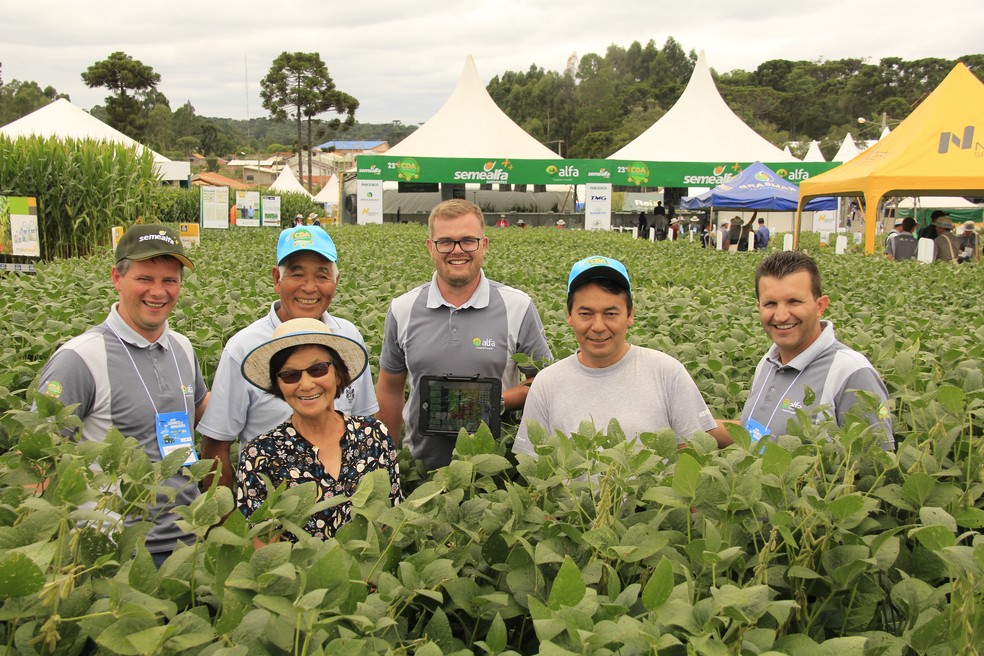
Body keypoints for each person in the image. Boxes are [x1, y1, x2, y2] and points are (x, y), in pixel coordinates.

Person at [36, 224, 209, 566]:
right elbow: (39, 458)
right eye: (145, 278)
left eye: (169, 280)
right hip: (115, 550)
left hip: (190, 541)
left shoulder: (182, 348)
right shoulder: (80, 358)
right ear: (117, 277)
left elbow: (203, 409)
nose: (158, 292)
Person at [376, 199, 553, 469]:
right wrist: (384, 461)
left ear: (484, 244)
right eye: (445, 242)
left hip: (495, 473)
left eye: (468, 240)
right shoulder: (403, 308)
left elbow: (543, 383)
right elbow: (389, 388)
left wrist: (492, 402)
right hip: (420, 469)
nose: (457, 251)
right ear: (430, 247)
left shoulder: (517, 306)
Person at [199, 225, 378, 489]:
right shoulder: (244, 348)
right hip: (271, 513)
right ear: (276, 279)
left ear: (336, 283)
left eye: (322, 275)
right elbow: (215, 445)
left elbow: (365, 426)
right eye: (296, 274)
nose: (309, 287)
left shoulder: (348, 337)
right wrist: (226, 523)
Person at [512, 255, 731, 456]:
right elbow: (534, 469)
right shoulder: (547, 383)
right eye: (586, 314)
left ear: (630, 315)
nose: (598, 326)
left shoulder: (667, 372)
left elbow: (689, 463)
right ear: (569, 316)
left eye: (611, 314)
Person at [237, 318, 402, 542]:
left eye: (317, 369)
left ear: (337, 372)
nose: (305, 384)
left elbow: (388, 524)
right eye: (290, 375)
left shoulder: (373, 436)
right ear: (279, 384)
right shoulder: (260, 455)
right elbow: (265, 549)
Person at [738, 251, 893, 449]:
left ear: (820, 306)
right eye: (770, 304)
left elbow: (876, 464)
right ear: (759, 307)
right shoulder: (768, 362)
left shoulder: (851, 371)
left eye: (794, 301)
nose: (782, 315)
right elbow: (757, 434)